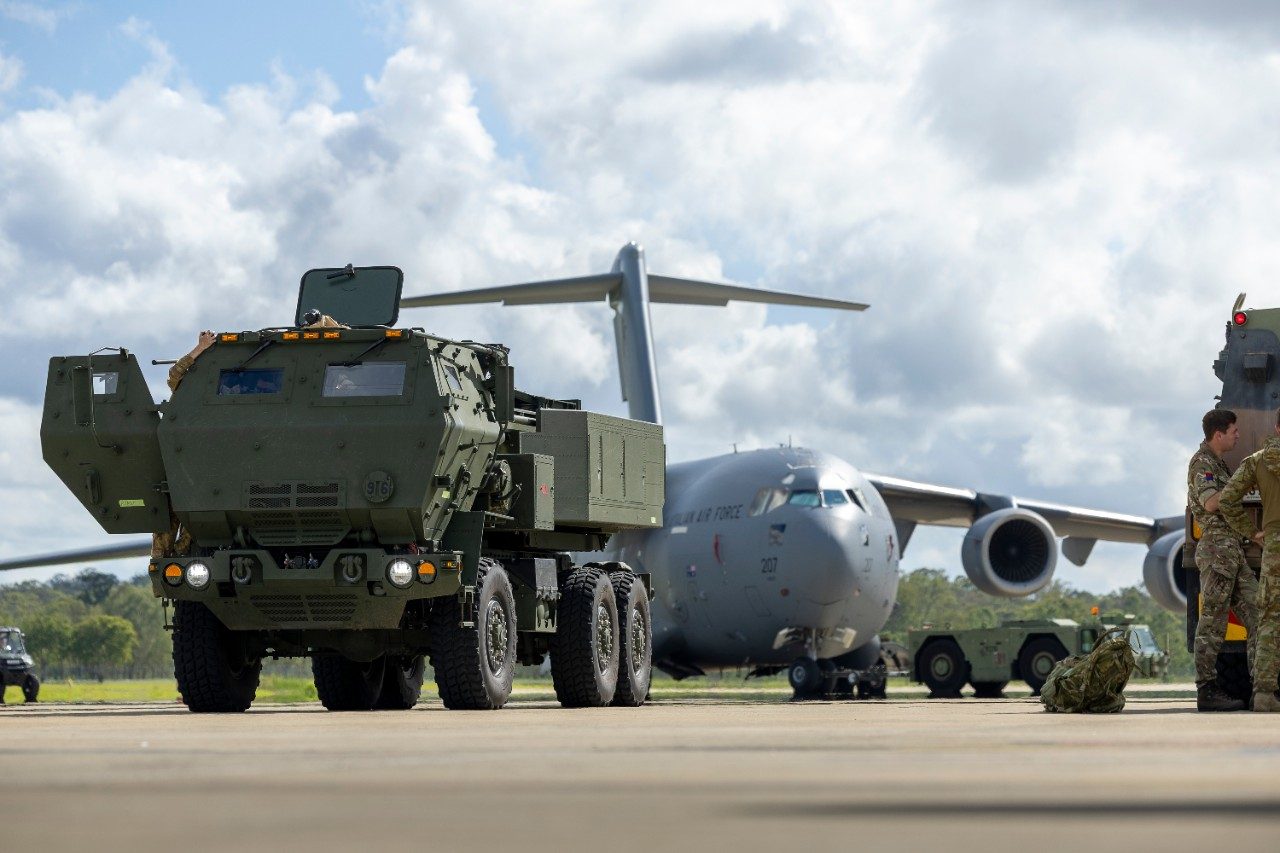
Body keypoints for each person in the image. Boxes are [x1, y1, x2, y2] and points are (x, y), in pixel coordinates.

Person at [1187, 409, 1259, 711]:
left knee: (1260, 612)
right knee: (1213, 624)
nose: (1238, 435)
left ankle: (1263, 688)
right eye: (1234, 431)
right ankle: (1207, 690)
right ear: (1219, 434)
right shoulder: (1201, 463)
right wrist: (1242, 483)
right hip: (1217, 552)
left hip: (1234, 553)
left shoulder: (1218, 464)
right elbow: (1212, 502)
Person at [1218, 409, 1280, 712]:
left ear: (1277, 428)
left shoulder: (1257, 461)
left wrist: (1252, 532)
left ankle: (1266, 694)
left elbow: (1227, 500)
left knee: (1270, 620)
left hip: (1274, 546)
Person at [151, 330, 214, 561]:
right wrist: (201, 348)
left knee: (192, 533)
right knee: (165, 530)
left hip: (203, 476)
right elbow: (174, 373)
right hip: (182, 469)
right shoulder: (190, 391)